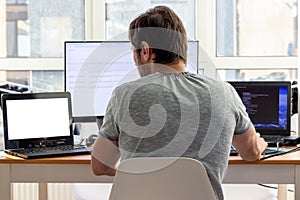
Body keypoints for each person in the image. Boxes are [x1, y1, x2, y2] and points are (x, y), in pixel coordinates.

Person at [91, 5, 267, 200]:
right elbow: (251, 152)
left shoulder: (123, 94)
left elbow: (100, 166)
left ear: (145, 51)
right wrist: (259, 143)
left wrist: (137, 174)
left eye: (134, 52)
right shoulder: (224, 93)